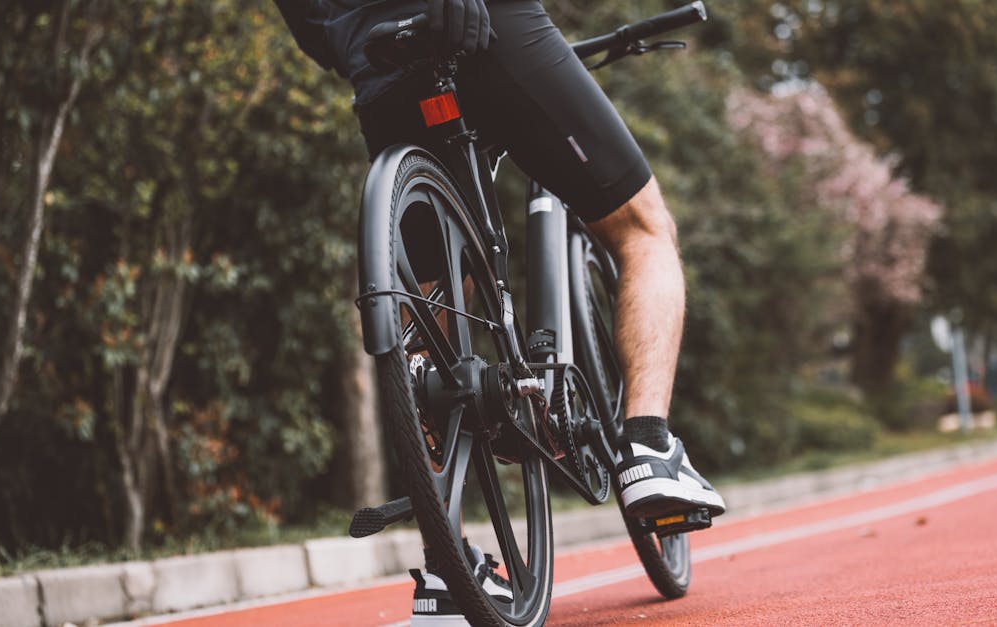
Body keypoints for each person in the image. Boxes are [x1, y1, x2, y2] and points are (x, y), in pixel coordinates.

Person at [272, 0, 725, 623]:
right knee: (644, 229)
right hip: (488, 28)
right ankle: (648, 447)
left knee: (425, 300)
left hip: (380, 59)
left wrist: (359, 42)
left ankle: (444, 564)